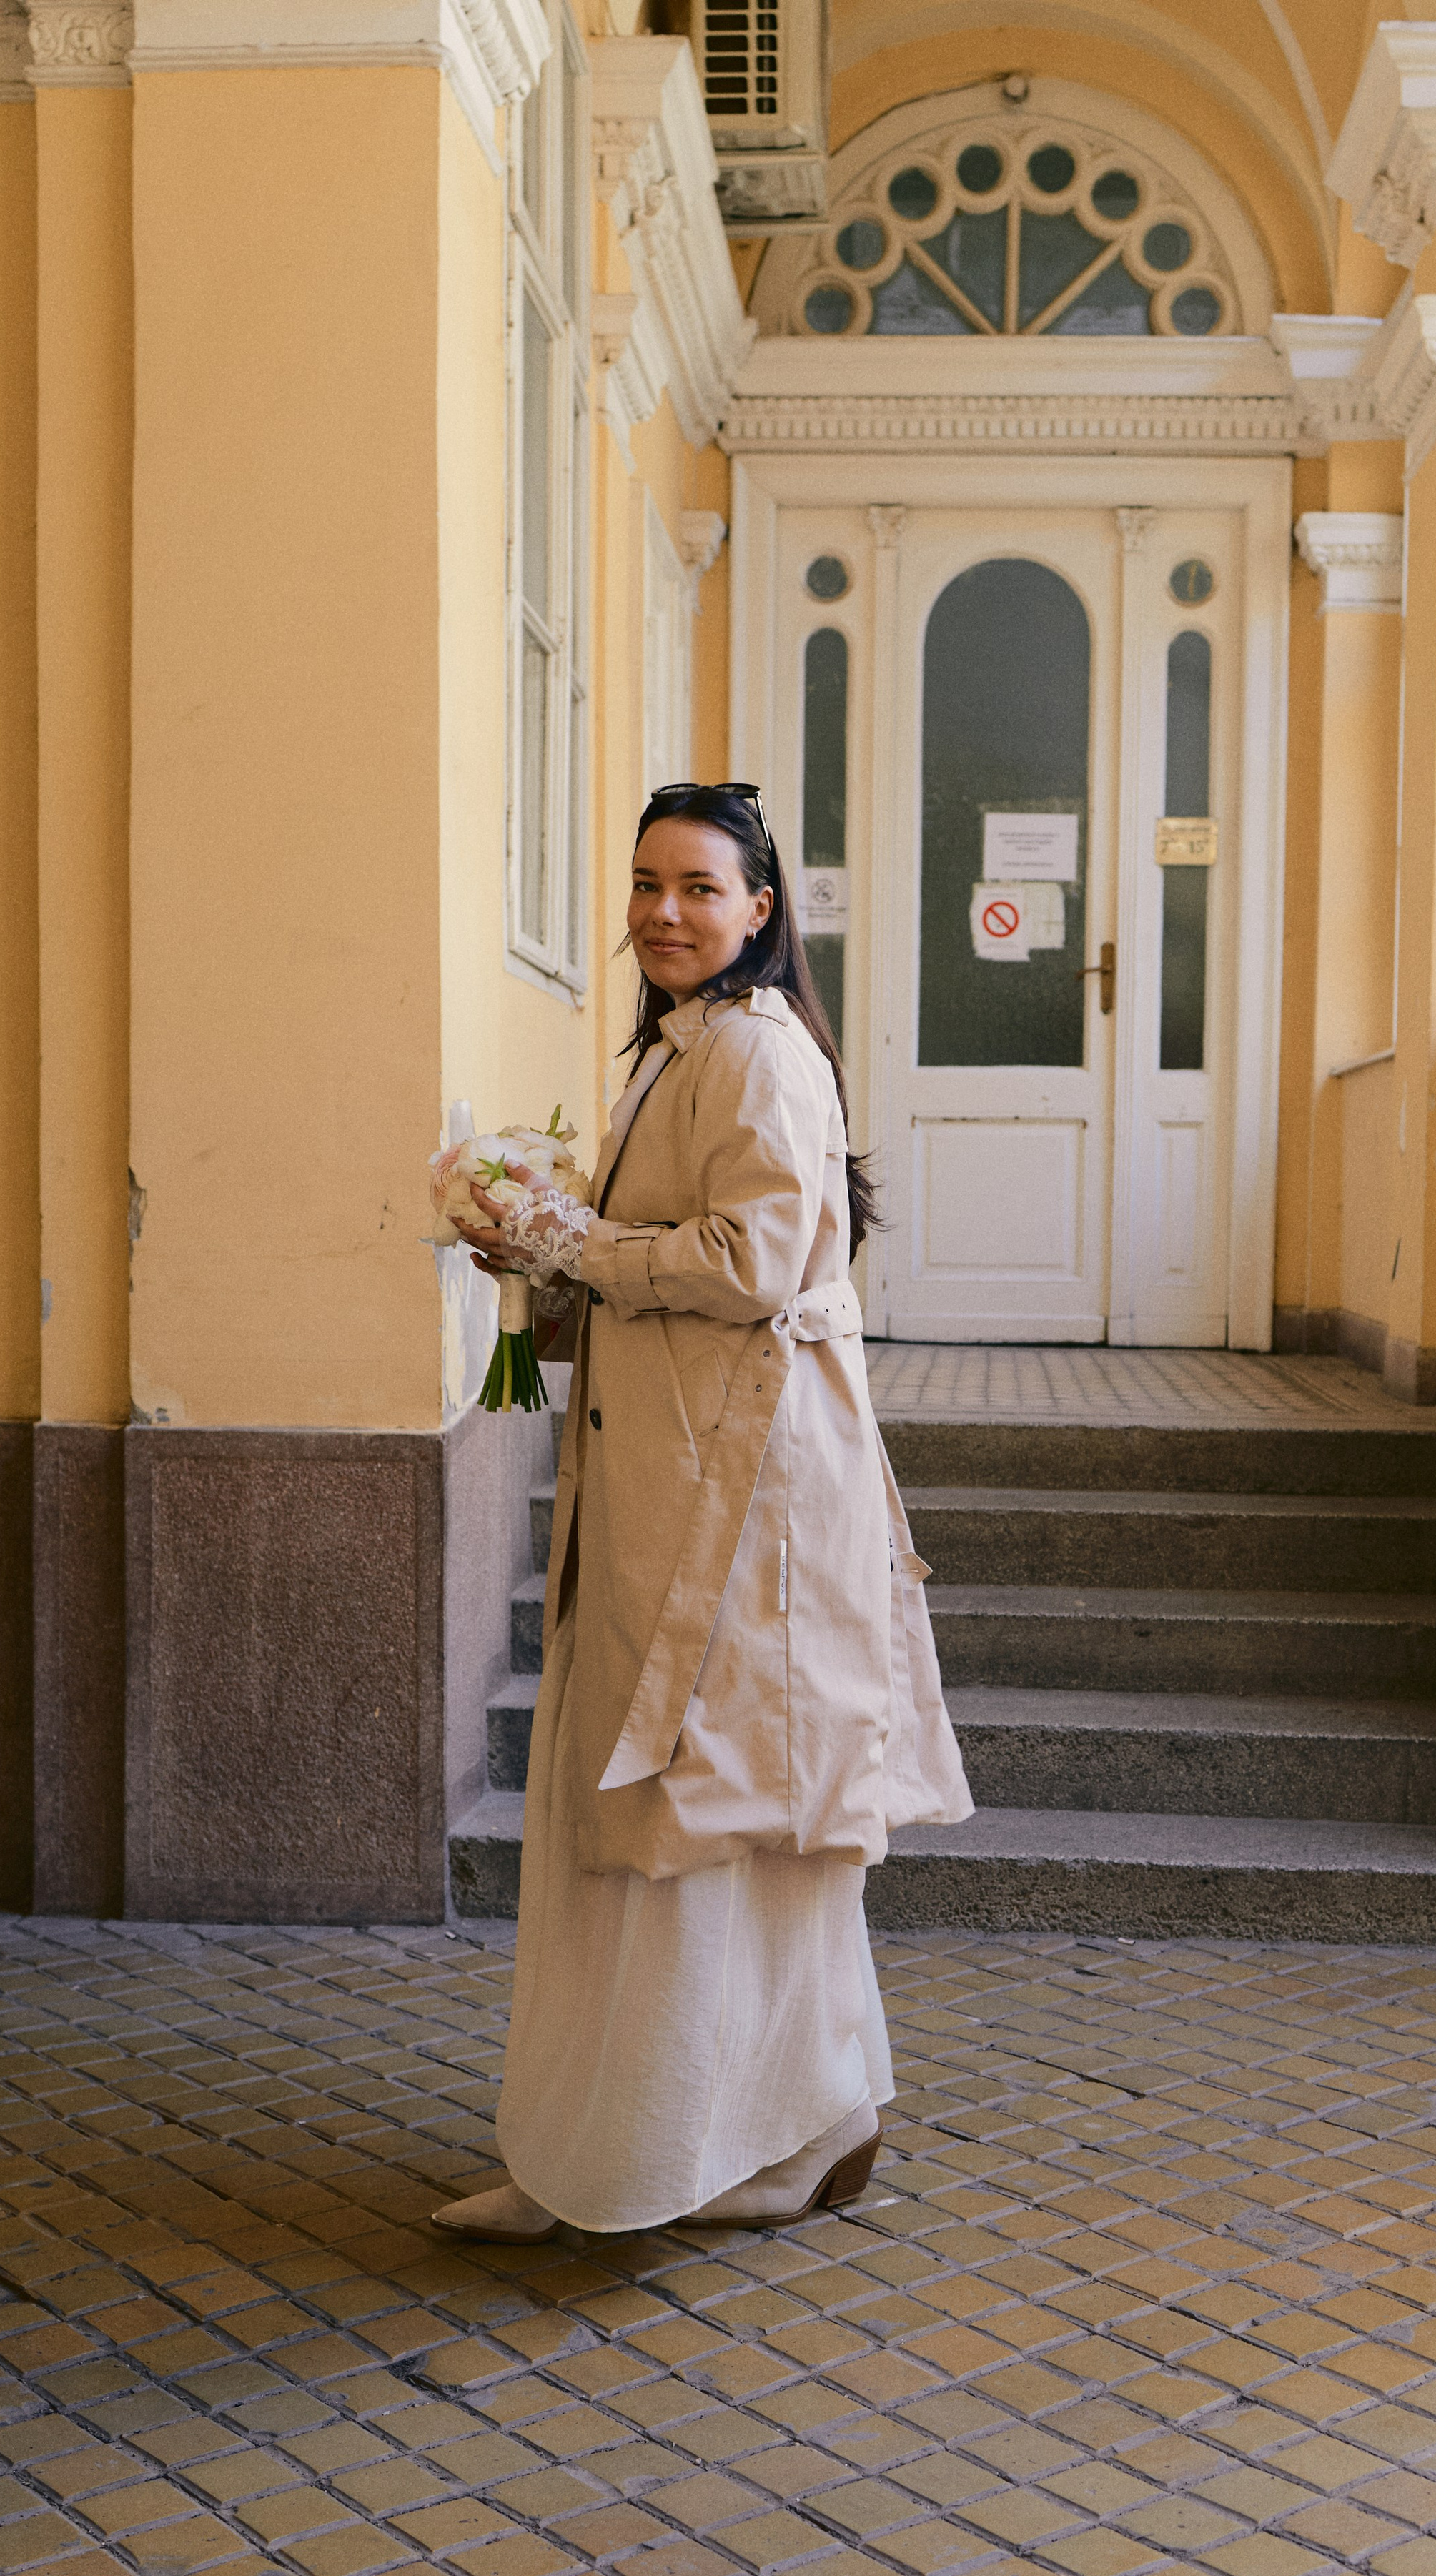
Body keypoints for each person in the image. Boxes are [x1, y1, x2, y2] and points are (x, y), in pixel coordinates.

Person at [432, 784, 971, 2242]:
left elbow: (751, 1263)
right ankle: (701, 2132)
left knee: (705, 1807)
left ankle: (709, 2142)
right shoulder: (682, 1052)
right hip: (686, 1466)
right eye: (643, 883)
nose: (661, 911)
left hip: (745, 1494)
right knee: (691, 1804)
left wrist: (571, 1239)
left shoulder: (752, 1052)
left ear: (759, 909)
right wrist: (533, 1260)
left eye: (696, 887)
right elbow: (667, 1270)